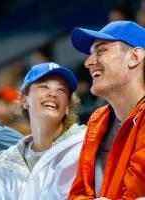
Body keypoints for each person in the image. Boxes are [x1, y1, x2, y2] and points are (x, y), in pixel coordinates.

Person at [68, 20, 145, 199]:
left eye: (101, 51)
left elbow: (136, 192)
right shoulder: (98, 120)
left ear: (134, 57)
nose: (88, 62)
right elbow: (76, 194)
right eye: (90, 54)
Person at [0, 62, 87, 200]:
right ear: (24, 100)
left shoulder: (84, 146)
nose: (53, 93)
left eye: (61, 90)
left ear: (67, 107)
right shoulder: (8, 161)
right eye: (44, 87)